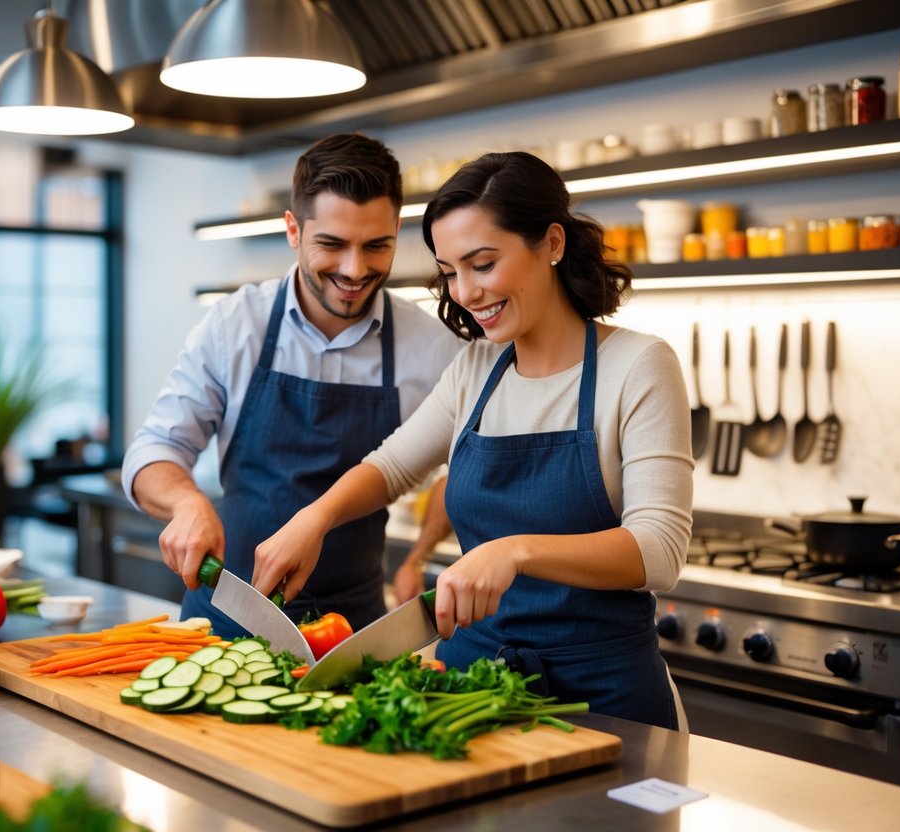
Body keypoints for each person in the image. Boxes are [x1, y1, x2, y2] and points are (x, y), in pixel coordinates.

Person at [253, 151, 694, 729]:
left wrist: (515, 550)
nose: (465, 292)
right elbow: (392, 467)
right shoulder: (477, 369)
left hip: (604, 696)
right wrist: (314, 518)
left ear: (552, 243)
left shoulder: (638, 365)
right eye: (449, 272)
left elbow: (659, 551)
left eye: (482, 264)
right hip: (473, 690)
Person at [122, 133, 463, 637]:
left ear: (396, 229)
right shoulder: (234, 326)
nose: (354, 269)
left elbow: (467, 466)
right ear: (293, 230)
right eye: (331, 244)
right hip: (228, 614)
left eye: (376, 246)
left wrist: (421, 551)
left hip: (352, 629)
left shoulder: (432, 346)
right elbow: (154, 450)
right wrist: (187, 503)